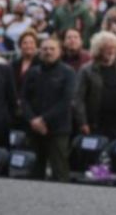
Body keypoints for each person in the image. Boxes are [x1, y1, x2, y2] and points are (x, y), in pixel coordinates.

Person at [22, 38, 77, 181]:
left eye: (52, 49)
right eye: (45, 49)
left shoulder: (68, 73)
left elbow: (66, 101)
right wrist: (33, 120)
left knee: (59, 170)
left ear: (60, 51)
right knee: (34, 170)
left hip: (58, 129)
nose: (48, 52)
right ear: (40, 51)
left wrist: (43, 119)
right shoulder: (33, 72)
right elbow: (24, 99)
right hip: (34, 128)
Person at [74, 31, 116, 139]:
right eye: (107, 48)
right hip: (95, 123)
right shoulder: (86, 70)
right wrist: (83, 123)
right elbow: (79, 99)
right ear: (99, 49)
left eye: (114, 48)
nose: (111, 51)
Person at [12, 30, 41, 95]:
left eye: (31, 43)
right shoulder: (13, 64)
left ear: (36, 45)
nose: (28, 46)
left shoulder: (42, 64)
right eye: (25, 43)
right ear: (20, 46)